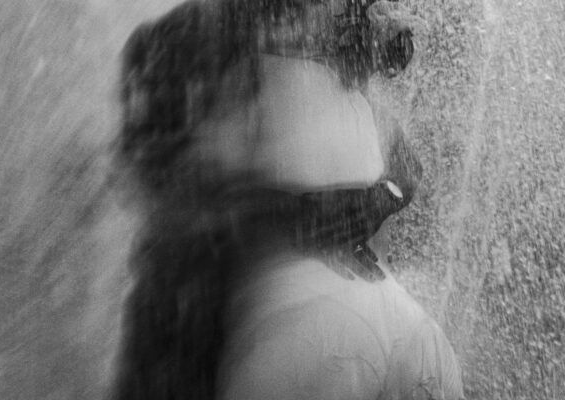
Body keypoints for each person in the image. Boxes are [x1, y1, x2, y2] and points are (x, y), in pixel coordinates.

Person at [112, 1, 463, 399]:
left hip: (315, 337)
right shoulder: (185, 40)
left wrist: (379, 199)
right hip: (195, 322)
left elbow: (407, 165)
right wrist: (293, 215)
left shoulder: (316, 47)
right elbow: (157, 186)